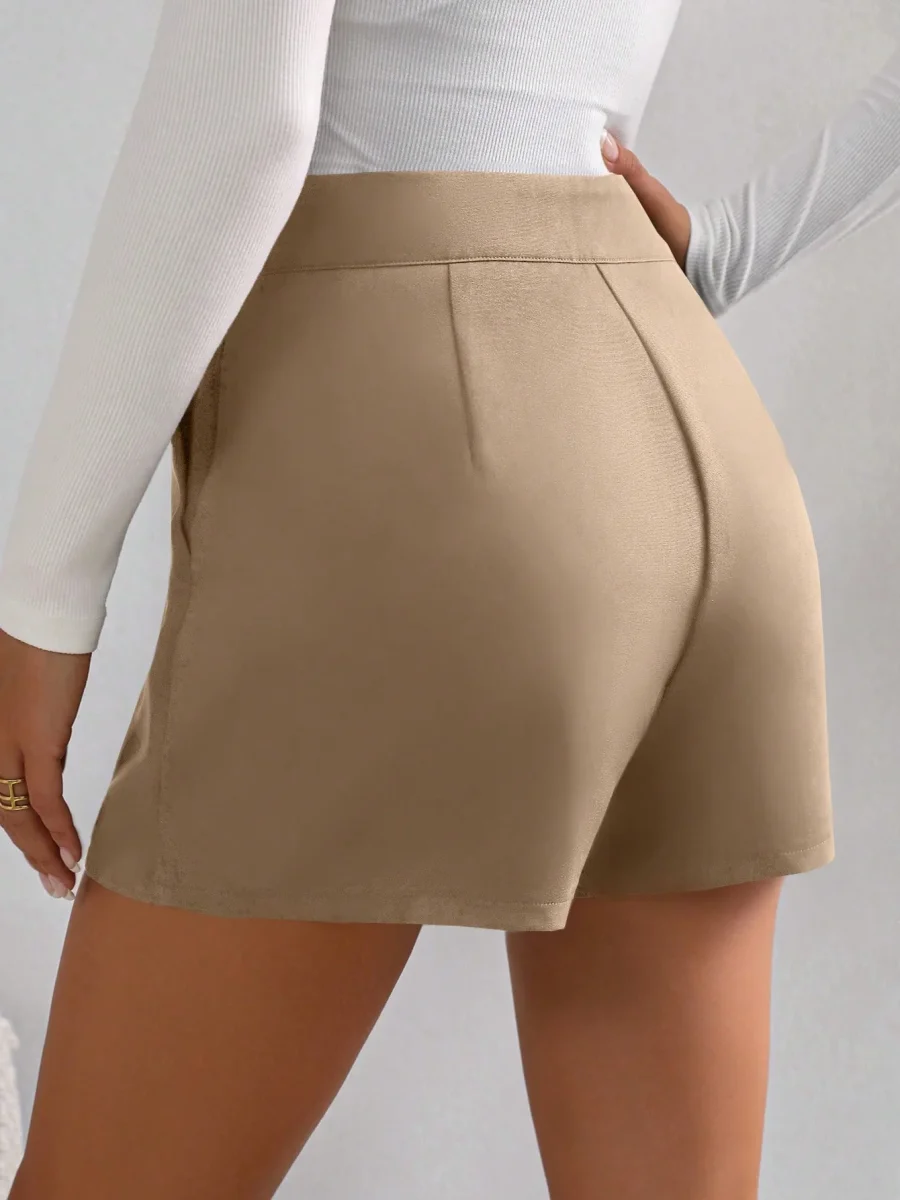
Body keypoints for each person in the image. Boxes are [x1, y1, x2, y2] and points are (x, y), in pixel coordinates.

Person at [1, 1, 898, 1196]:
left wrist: (44, 595)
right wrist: (719, 256)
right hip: (710, 454)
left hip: (417, 439)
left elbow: (241, 124)